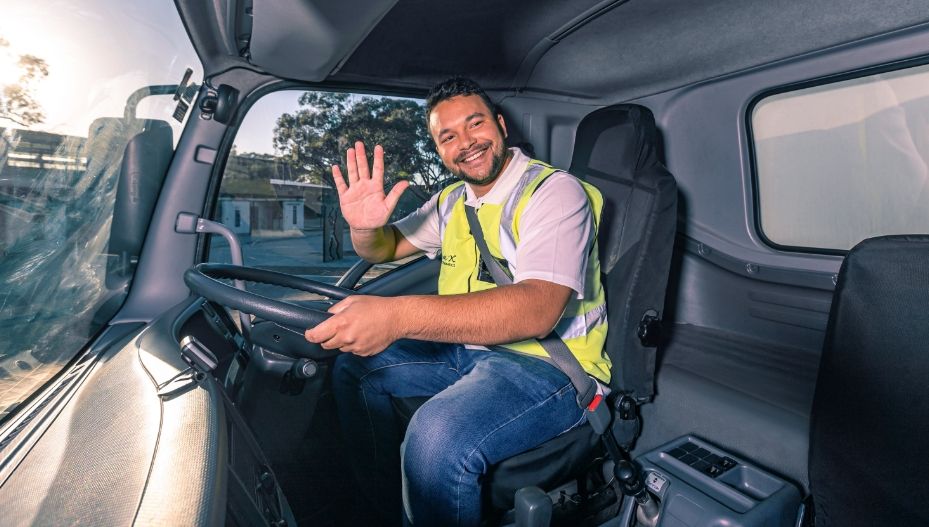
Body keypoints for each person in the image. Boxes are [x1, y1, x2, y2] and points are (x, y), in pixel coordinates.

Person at [304, 77, 610, 527]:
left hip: (552, 369)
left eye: (475, 124)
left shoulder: (554, 192)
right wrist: (366, 227)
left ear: (500, 125)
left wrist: (396, 316)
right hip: (471, 352)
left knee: (435, 435)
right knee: (355, 366)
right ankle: (384, 509)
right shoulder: (452, 201)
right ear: (439, 150)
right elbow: (383, 249)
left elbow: (538, 310)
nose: (465, 143)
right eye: (448, 137)